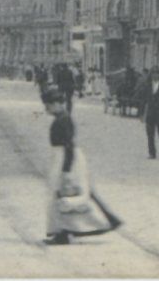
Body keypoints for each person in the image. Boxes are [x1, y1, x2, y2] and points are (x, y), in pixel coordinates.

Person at [43, 87, 122, 245]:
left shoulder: (64, 119)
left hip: (66, 159)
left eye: (49, 105)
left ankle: (64, 232)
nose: (47, 109)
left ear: (57, 103)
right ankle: (62, 231)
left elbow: (68, 145)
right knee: (62, 194)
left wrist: (66, 170)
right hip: (63, 157)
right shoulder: (62, 118)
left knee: (65, 194)